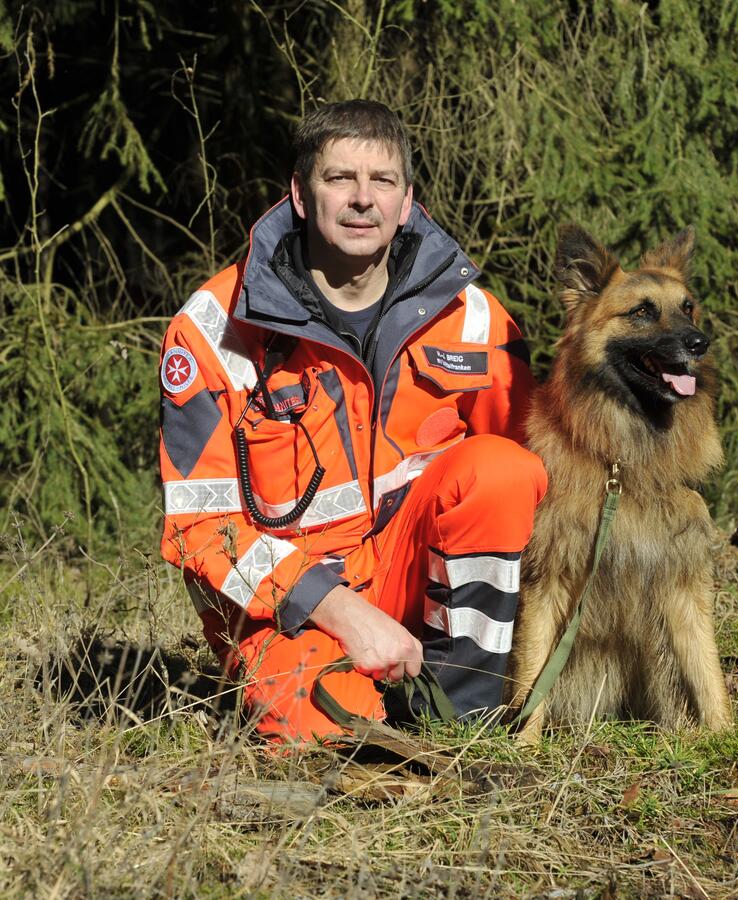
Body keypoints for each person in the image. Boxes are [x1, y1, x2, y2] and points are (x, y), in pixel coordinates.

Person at [159, 100, 547, 744]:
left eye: (382, 181)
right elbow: (200, 531)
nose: (362, 199)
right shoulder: (213, 328)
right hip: (288, 612)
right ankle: (361, 705)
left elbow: (539, 487)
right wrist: (338, 611)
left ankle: (465, 713)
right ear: (302, 195)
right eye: (340, 178)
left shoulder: (474, 317)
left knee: (504, 470)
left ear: (407, 199)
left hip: (412, 583)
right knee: (325, 731)